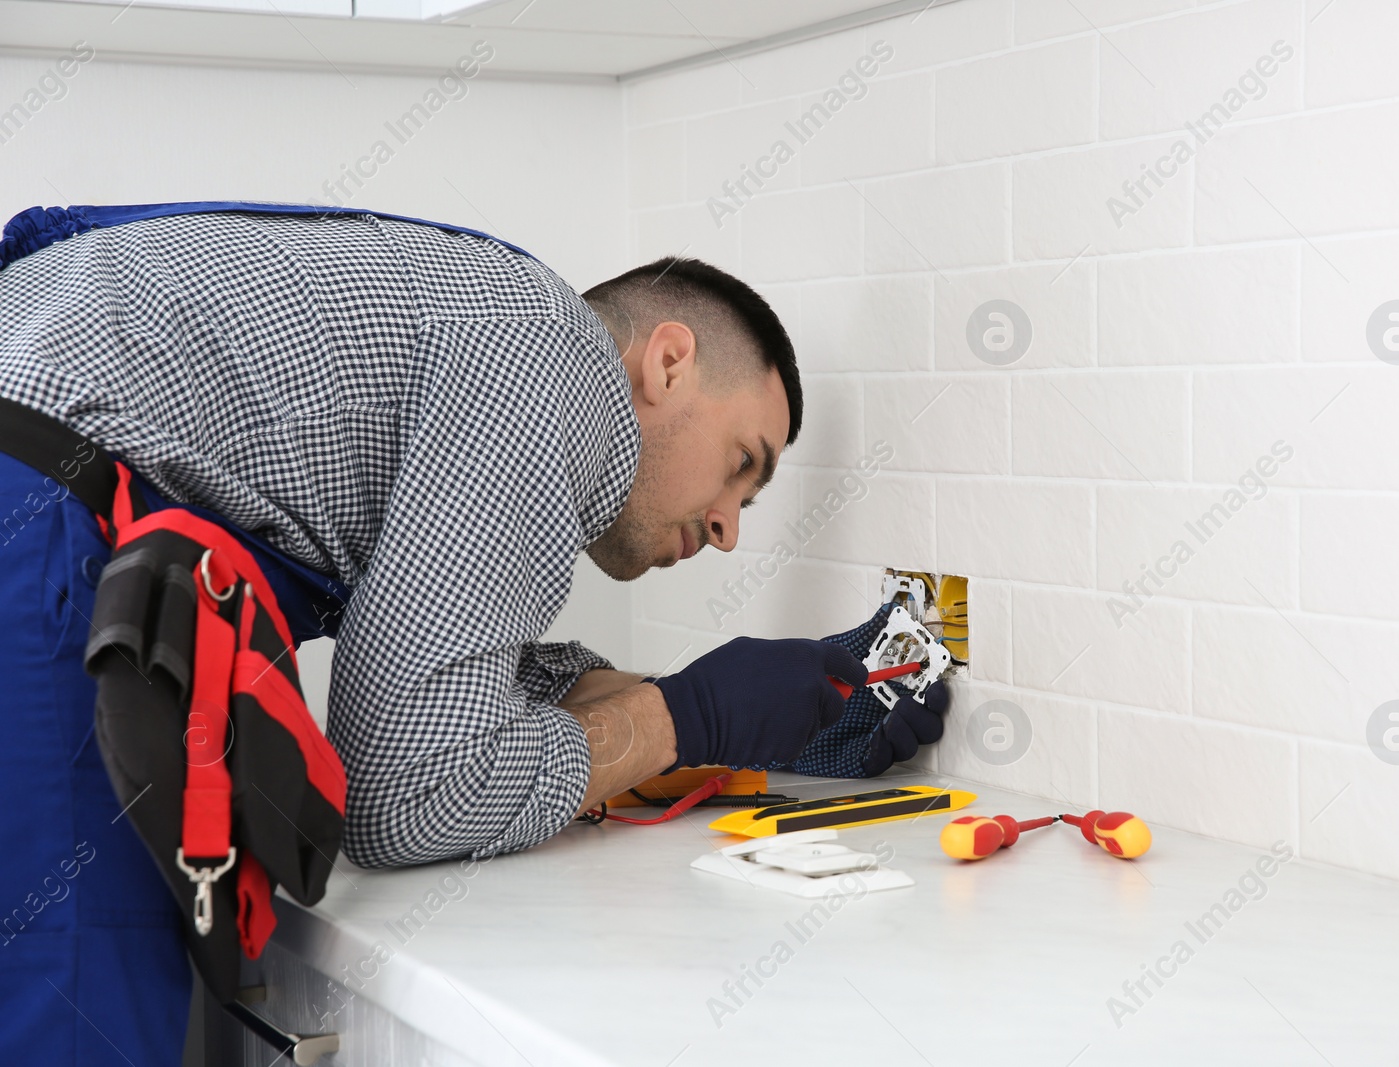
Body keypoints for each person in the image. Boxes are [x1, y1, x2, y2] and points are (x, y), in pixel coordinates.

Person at [0, 205, 942, 1065]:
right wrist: (688, 716)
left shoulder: (484, 320)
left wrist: (747, 722)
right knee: (77, 1005)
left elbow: (446, 678)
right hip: (34, 516)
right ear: (667, 364)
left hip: (52, 500)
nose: (733, 524)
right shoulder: (548, 358)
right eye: (744, 465)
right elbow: (403, 794)